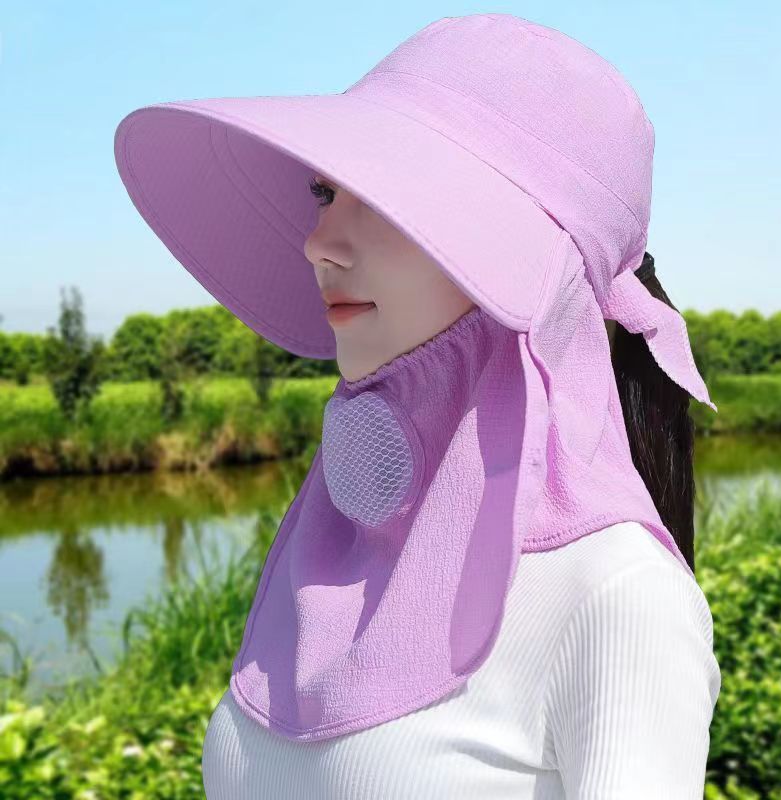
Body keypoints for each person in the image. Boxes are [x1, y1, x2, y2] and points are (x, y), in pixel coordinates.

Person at [114, 14, 722, 797]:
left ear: (529, 252)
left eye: (384, 195)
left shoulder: (614, 593)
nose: (318, 242)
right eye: (326, 192)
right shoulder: (327, 553)